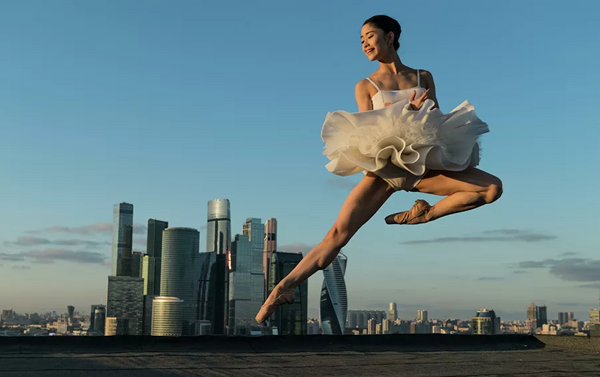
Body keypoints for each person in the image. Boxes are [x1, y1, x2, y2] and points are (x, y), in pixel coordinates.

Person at [255, 15, 502, 324]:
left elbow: (436, 125)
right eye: (361, 40)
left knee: (492, 189)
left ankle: (426, 213)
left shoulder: (423, 76)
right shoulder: (366, 85)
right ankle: (283, 288)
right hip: (386, 170)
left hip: (421, 167)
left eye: (369, 36)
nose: (364, 44)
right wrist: (406, 111)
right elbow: (368, 133)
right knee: (337, 235)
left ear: (390, 36)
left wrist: (422, 114)